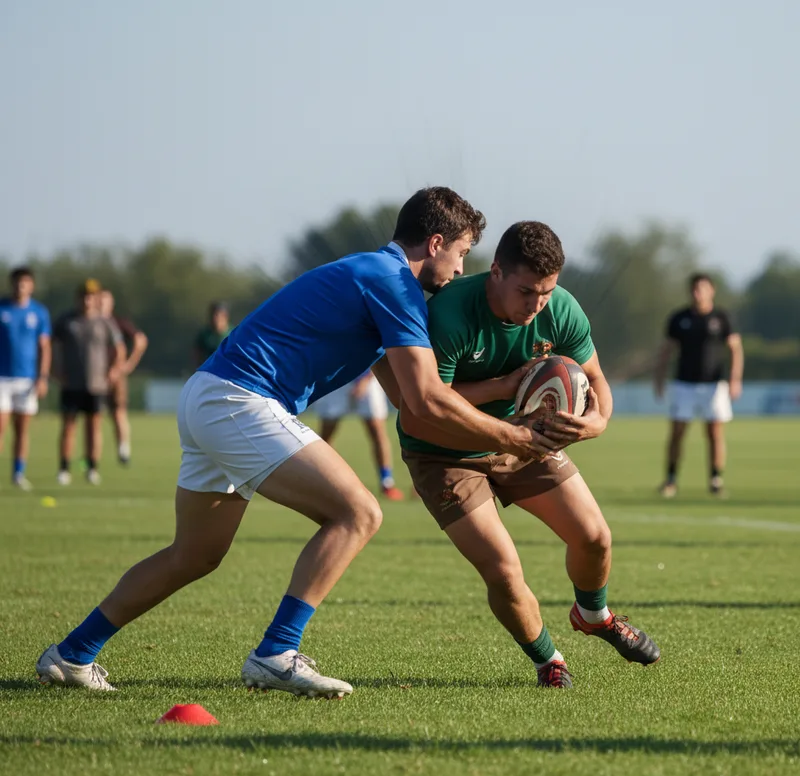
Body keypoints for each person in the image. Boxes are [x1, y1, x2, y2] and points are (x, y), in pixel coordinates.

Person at [36, 187, 554, 697]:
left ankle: (73, 654)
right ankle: (277, 653)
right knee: (359, 513)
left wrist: (505, 392)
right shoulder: (394, 282)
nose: (464, 269)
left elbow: (406, 398)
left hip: (210, 395)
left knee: (194, 555)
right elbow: (425, 400)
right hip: (241, 399)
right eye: (463, 252)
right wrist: (514, 435)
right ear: (437, 242)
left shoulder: (372, 275)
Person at [397, 221, 661, 688]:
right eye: (526, 292)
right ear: (495, 270)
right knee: (502, 569)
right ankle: (549, 661)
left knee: (595, 536)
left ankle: (593, 615)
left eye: (546, 292)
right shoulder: (451, 313)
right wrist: (504, 387)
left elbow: (596, 379)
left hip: (525, 442)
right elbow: (424, 407)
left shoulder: (560, 309)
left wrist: (596, 422)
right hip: (444, 452)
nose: (536, 305)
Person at [655, 273, 744, 498]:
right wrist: (659, 379)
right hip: (683, 384)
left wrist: (735, 379)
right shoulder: (679, 318)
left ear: (711, 291)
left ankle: (716, 479)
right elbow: (666, 352)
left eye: (702, 289)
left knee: (714, 433)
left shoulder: (721, 317)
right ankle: (671, 479)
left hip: (714, 385)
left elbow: (735, 348)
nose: (698, 293)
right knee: (677, 433)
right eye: (695, 289)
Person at [52, 279, 126, 486]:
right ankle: (64, 467)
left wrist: (114, 371)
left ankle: (92, 467)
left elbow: (119, 348)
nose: (87, 300)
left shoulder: (104, 322)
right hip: (71, 383)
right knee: (68, 426)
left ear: (96, 298)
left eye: (91, 296)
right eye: (84, 296)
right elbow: (52, 345)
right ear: (78, 298)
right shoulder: (66, 320)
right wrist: (55, 370)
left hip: (96, 384)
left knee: (93, 427)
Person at [314, 371, 405, 500]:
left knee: (377, 431)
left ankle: (387, 483)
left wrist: (364, 379)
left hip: (367, 376)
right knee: (325, 436)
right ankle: (325, 483)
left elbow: (377, 351)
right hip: (335, 379)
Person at [0, 266, 51, 490]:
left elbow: (45, 347)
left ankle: (18, 474)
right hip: (2, 377)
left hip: (27, 379)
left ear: (31, 286)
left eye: (25, 282)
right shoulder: (2, 308)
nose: (21, 286)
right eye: (17, 282)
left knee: (22, 430)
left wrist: (43, 377)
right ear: (11, 284)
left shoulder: (39, 313)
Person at [99, 290, 149, 465]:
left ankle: (123, 450)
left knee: (118, 412)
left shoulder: (118, 323)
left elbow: (140, 340)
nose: (101, 304)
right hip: (95, 376)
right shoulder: (91, 322)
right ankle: (92, 459)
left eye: (105, 301)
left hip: (116, 375)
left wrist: (128, 365)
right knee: (95, 416)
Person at [193, 302, 232, 366]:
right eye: (212, 315)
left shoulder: (233, 334)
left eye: (217, 315)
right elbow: (197, 354)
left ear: (225, 316)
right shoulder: (204, 334)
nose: (214, 318)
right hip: (208, 371)